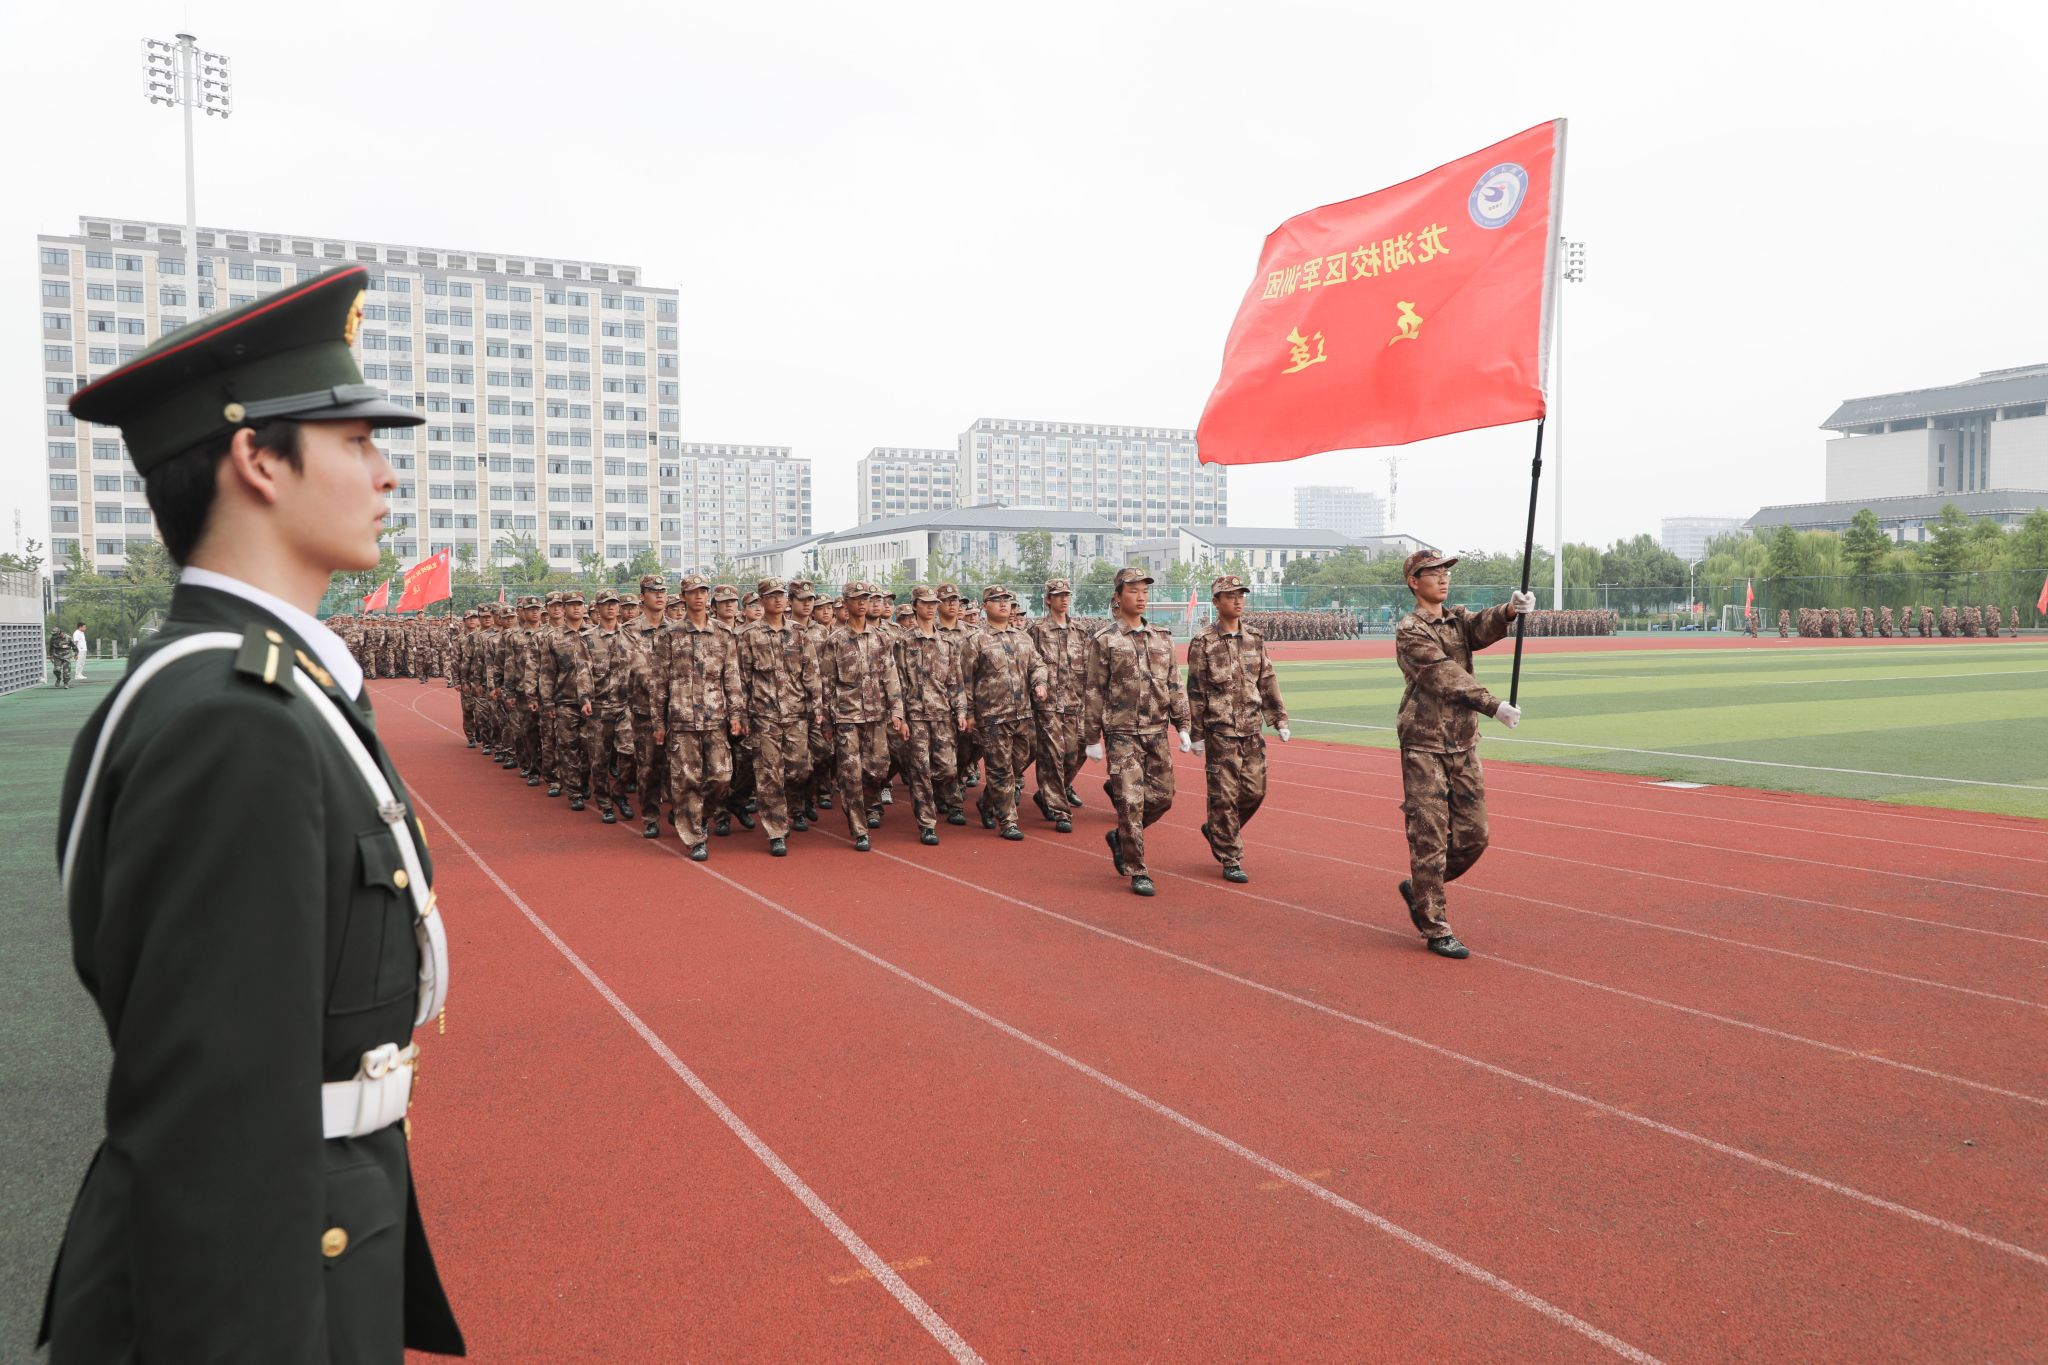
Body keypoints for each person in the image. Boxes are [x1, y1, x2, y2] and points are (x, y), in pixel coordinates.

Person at [45, 264, 462, 1360]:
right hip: (266, 1285)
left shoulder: (257, 684)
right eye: (357, 442)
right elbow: (220, 1131)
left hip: (322, 1239)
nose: (387, 472)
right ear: (257, 461)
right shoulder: (236, 720)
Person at [1392, 551, 1532, 959]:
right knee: (1429, 839)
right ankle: (1436, 926)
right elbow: (1443, 675)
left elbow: (1479, 627)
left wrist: (1509, 610)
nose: (1443, 578)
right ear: (1413, 582)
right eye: (1433, 573)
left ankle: (1421, 886)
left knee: (1475, 836)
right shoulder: (1411, 630)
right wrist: (1493, 705)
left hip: (1463, 742)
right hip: (1425, 746)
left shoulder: (1455, 619)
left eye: (1445, 573)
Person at [1084, 568, 1191, 897]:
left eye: (1144, 590)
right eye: (1133, 591)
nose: (1141, 596)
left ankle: (1120, 837)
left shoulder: (1162, 637)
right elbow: (1094, 690)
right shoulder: (1105, 640)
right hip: (1121, 733)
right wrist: (1091, 737)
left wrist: (1184, 725)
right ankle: (1137, 869)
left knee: (1162, 797)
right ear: (1118, 597)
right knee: (1131, 803)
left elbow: (1174, 684)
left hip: (1156, 732)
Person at [1185, 574, 1289, 884]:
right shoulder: (1204, 641)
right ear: (1216, 602)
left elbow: (1266, 679)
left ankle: (1218, 830)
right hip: (1221, 732)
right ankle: (1230, 856)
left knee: (1255, 791)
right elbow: (1196, 689)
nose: (1238, 600)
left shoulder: (1254, 637)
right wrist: (1196, 734)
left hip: (1252, 729)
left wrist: (1279, 718)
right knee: (1224, 797)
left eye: (1241, 595)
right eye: (1230, 596)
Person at [652, 575, 745, 862]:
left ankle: (699, 814)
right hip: (682, 720)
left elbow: (732, 678)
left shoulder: (723, 633)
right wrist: (658, 722)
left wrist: (736, 714)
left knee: (721, 777)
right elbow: (659, 682)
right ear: (683, 596)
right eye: (693, 592)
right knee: (687, 781)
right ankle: (695, 838)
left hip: (715, 718)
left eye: (703, 591)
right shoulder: (670, 635)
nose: (699, 596)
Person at [734, 577, 819, 856]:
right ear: (761, 600)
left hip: (796, 714)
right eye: (772, 596)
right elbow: (742, 678)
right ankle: (776, 830)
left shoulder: (798, 633)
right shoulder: (749, 635)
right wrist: (742, 714)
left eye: (781, 595)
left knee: (800, 769)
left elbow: (811, 672)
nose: (778, 600)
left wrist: (817, 706)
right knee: (769, 774)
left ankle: (790, 807)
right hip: (764, 715)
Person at [818, 583, 906, 851]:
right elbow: (826, 682)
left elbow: (891, 675)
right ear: (846, 604)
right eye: (856, 599)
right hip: (846, 717)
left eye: (865, 598)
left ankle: (871, 806)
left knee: (877, 768)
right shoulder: (835, 640)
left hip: (877, 715)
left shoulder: (881, 638)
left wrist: (897, 711)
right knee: (850, 774)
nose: (862, 603)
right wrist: (826, 720)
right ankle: (859, 828)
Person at [958, 586, 1049, 841]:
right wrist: (969, 713)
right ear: (985, 606)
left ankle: (987, 802)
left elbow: (1038, 664)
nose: (1003, 604)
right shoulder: (975, 640)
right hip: (992, 717)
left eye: (1006, 600)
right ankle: (1008, 820)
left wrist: (1040, 682)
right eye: (996, 600)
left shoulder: (1023, 638)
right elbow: (965, 680)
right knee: (999, 769)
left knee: (1019, 761)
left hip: (1022, 715)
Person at [1028, 577, 1091, 831]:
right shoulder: (1037, 630)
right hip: (1048, 704)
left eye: (1067, 595)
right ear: (1048, 600)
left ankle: (1047, 794)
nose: (1064, 599)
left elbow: (1088, 668)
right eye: (1058, 595)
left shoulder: (1080, 631)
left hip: (1074, 703)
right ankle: (1060, 811)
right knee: (1052, 755)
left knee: (1075, 753)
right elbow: (1030, 664)